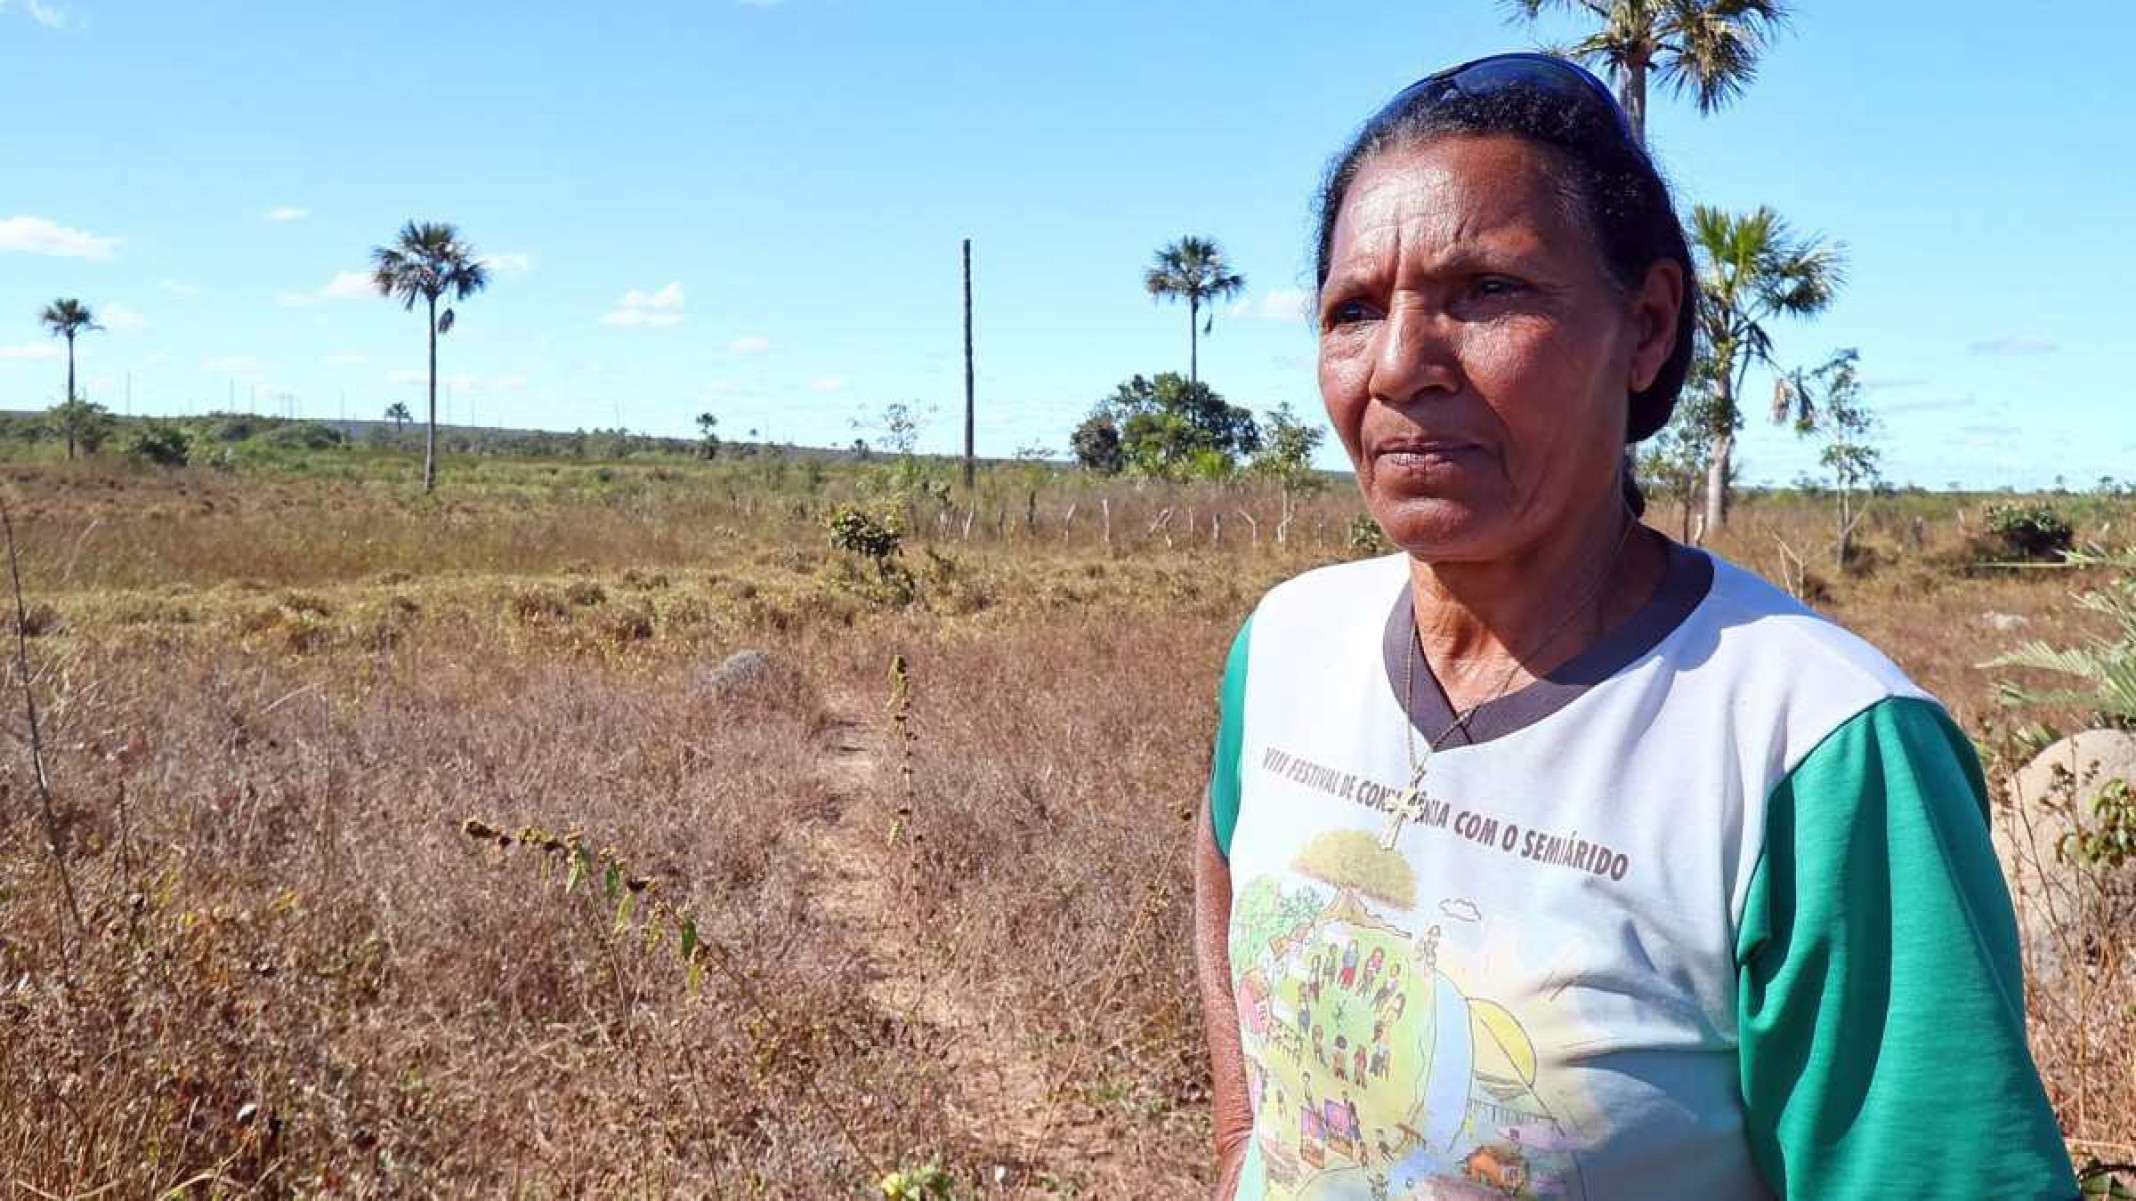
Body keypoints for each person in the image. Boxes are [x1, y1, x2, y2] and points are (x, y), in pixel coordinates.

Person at [1191, 52, 2075, 1201]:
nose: (1402, 364)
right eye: (1354, 311)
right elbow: (1224, 852)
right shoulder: (1287, 644)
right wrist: (1239, 1145)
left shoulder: (1816, 747)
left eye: (1487, 292)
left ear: (1647, 327)